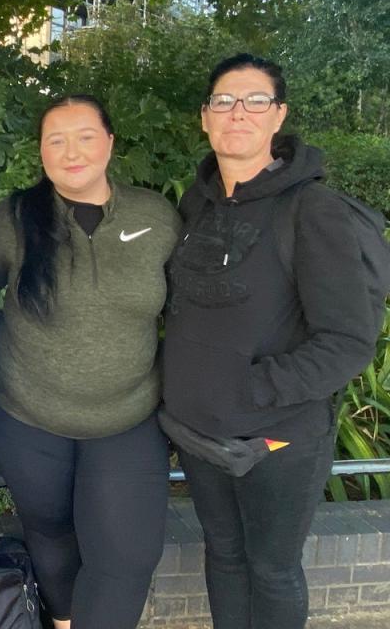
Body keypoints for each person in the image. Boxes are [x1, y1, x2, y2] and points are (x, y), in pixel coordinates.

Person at [162, 53, 380, 629]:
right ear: (204, 118)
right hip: (199, 431)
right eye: (224, 101)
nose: (239, 113)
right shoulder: (195, 203)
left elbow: (350, 339)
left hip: (274, 440)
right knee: (225, 556)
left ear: (277, 116)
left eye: (255, 101)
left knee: (272, 570)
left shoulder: (312, 209)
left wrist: (253, 388)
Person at [0, 95, 180, 629]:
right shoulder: (12, 221)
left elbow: (186, 311)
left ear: (110, 142)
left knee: (128, 556)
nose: (72, 151)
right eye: (56, 139)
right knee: (50, 530)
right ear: (41, 152)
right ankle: (64, 620)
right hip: (24, 414)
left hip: (128, 418)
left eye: (85, 136)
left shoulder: (156, 218)